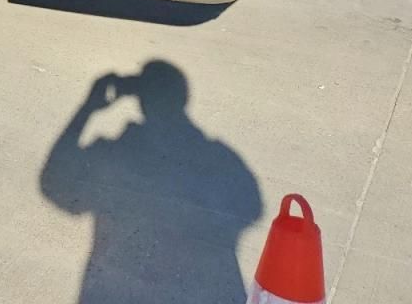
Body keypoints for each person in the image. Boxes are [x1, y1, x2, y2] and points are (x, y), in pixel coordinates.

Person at [40, 60, 262, 303]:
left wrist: (87, 108)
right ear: (183, 99)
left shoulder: (115, 155)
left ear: (140, 99)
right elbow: (252, 208)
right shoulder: (223, 160)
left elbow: (53, 183)